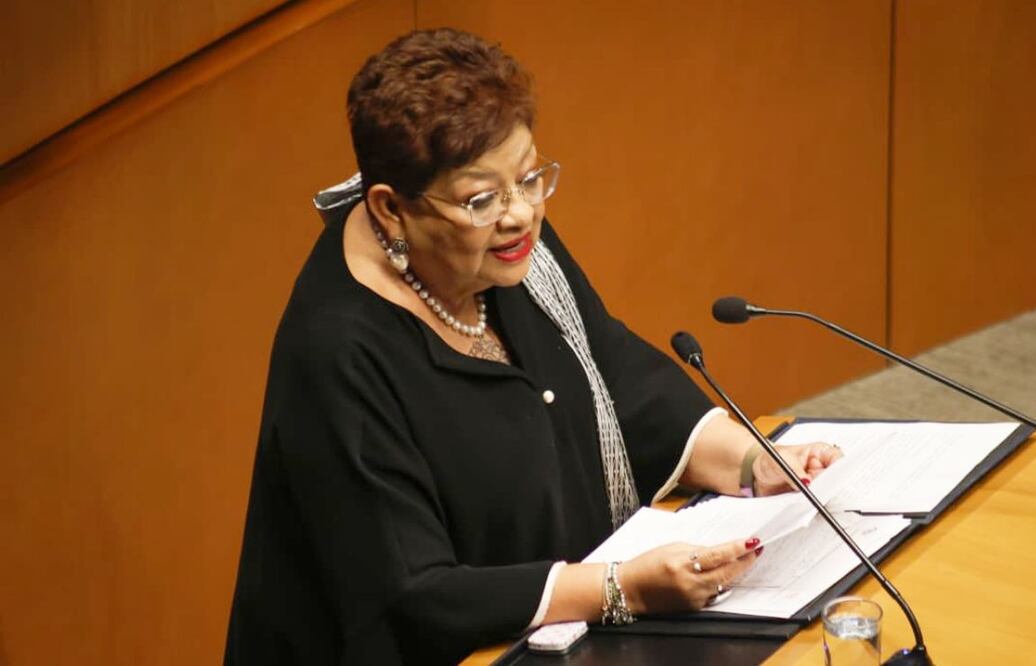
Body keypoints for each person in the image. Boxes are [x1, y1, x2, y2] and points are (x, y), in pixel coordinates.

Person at [225, 28, 842, 665]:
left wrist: (753, 463)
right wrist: (618, 589)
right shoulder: (340, 350)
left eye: (528, 178)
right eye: (482, 198)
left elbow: (614, 375)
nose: (519, 214)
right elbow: (410, 590)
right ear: (389, 209)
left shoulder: (501, 249)